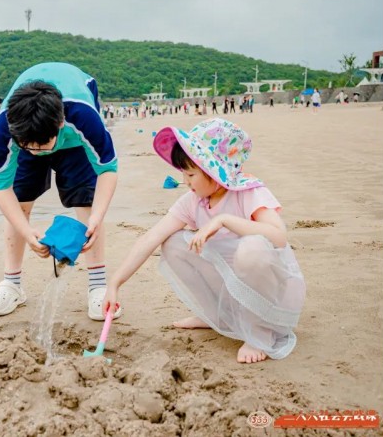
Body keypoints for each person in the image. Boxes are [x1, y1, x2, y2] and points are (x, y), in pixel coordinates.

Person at [102, 118, 306, 363]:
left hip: (269, 291)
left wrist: (224, 221)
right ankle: (216, 315)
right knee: (173, 242)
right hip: (232, 287)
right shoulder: (193, 200)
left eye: (191, 173)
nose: (186, 182)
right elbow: (152, 237)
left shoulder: (248, 192)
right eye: (183, 174)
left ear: (213, 171)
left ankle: (260, 330)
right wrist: (114, 283)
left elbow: (278, 236)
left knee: (252, 248)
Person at [0, 62, 120, 321]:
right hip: (32, 127)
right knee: (20, 201)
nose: (37, 152)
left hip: (72, 139)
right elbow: (1, 188)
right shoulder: (7, 126)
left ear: (59, 125)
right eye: (29, 147)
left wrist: (97, 218)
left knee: (86, 202)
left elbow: (107, 169)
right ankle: (11, 284)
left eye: (42, 146)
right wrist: (27, 232)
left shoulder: (83, 116)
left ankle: (98, 286)